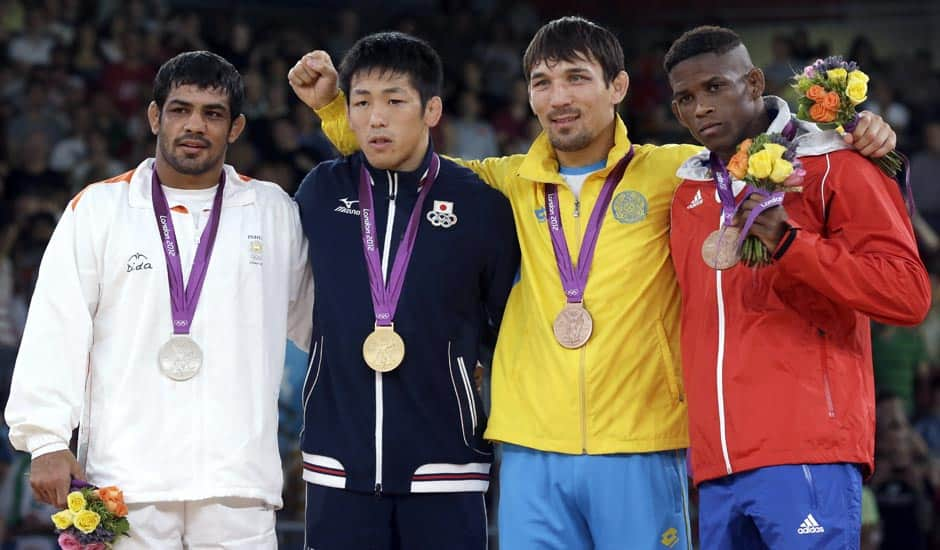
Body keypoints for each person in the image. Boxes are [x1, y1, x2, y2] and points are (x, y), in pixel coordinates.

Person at [290, 17, 896, 549]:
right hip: (530, 448)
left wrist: (853, 134)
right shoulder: (499, 182)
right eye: (542, 83)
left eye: (577, 78)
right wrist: (334, 113)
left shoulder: (674, 174)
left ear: (618, 87)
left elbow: (765, 153)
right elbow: (401, 156)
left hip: (640, 441)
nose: (559, 97)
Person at [5, 51, 313, 549]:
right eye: (180, 109)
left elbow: (320, 326)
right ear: (154, 117)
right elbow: (55, 327)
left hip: (237, 480)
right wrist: (45, 439)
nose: (195, 125)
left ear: (235, 128)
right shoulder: (100, 209)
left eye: (213, 114)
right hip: (125, 476)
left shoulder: (273, 211)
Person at [664, 26, 931, 549]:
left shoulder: (836, 162)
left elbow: (908, 292)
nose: (700, 109)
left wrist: (794, 245)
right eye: (684, 99)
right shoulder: (686, 190)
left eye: (715, 88)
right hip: (716, 462)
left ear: (754, 81)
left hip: (805, 446)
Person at [289, 32, 518, 549]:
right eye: (362, 102)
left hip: (447, 462)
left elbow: (505, 324)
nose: (376, 118)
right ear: (344, 112)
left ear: (432, 109)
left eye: (395, 101)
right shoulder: (320, 192)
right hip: (336, 461)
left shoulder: (480, 206)